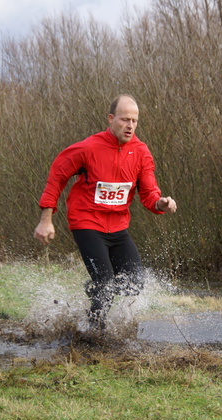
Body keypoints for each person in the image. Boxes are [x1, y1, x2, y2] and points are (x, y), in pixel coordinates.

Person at [33, 94, 177, 330]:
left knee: (135, 284)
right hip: (87, 223)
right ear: (111, 119)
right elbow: (57, 175)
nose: (130, 125)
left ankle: (94, 295)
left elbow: (150, 194)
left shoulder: (141, 152)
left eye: (134, 120)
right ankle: (94, 333)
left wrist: (161, 203)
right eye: (124, 119)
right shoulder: (89, 148)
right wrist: (46, 219)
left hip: (119, 227)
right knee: (105, 282)